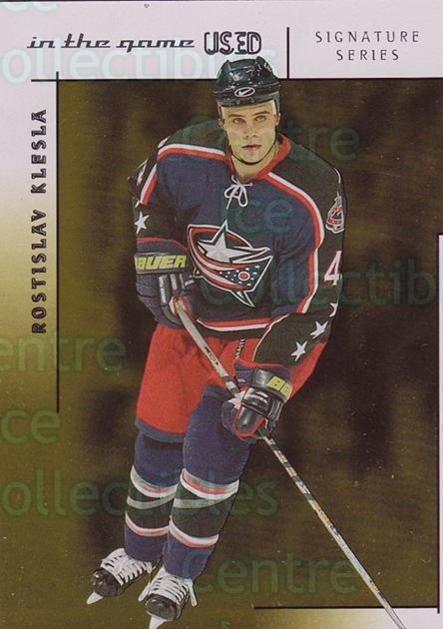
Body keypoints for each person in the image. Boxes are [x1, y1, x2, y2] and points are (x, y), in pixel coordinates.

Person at [87, 56, 347, 628]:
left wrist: (268, 381)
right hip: (191, 325)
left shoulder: (312, 188)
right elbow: (147, 195)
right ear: (221, 119)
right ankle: (138, 552)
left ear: (277, 114)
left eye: (261, 117)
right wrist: (157, 255)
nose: (249, 132)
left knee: (214, 449)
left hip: (267, 334)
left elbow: (313, 302)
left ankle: (179, 573)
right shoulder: (183, 152)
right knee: (156, 443)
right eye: (237, 119)